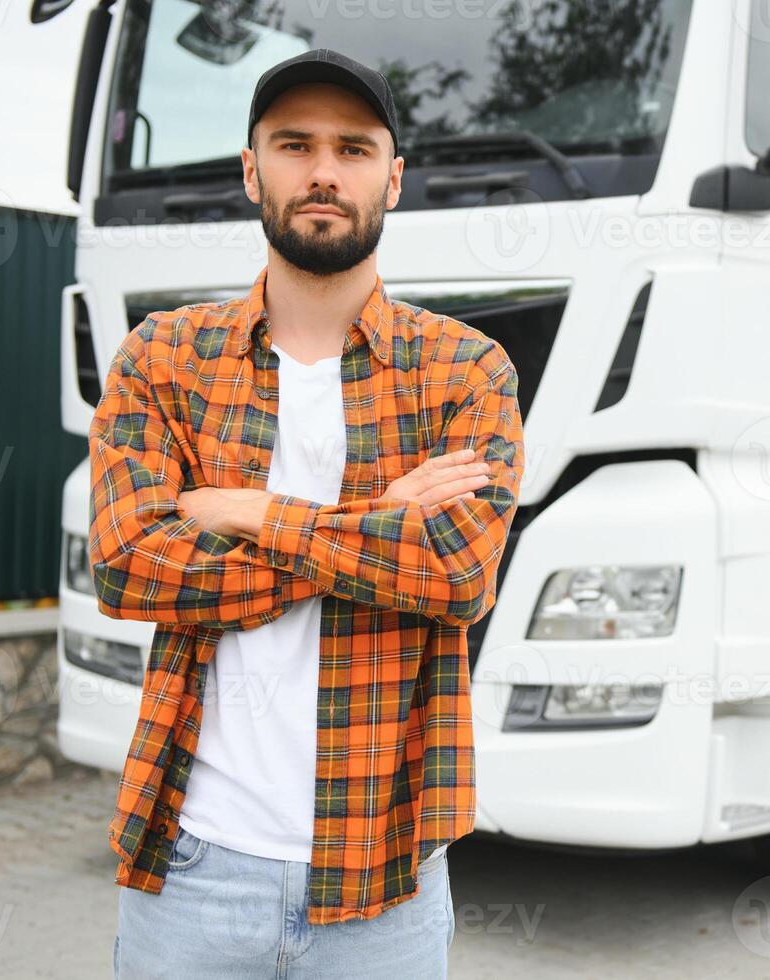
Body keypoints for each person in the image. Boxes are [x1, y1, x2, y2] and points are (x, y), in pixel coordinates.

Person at [91, 48, 525, 977]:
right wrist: (378, 521)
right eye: (294, 145)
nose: (323, 171)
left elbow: (456, 575)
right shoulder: (163, 358)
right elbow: (129, 564)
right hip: (192, 864)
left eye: (353, 148)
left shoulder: (466, 369)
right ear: (252, 169)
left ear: (393, 178)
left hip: (387, 879)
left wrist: (247, 510)